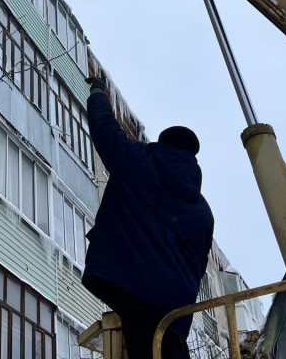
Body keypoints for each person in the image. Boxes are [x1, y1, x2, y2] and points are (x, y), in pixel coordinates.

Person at [81, 75, 214, 359]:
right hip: (175, 303)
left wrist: (98, 93)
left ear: (161, 143)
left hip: (131, 283)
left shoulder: (138, 160)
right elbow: (199, 265)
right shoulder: (202, 211)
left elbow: (105, 129)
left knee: (146, 343)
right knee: (164, 345)